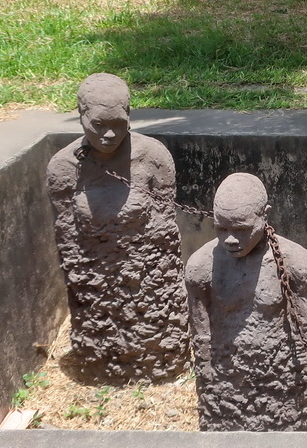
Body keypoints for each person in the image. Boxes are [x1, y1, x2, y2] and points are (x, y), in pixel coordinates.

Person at [46, 72, 189, 383]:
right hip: (97, 288)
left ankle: (159, 365)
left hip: (147, 285)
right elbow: (68, 244)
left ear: (130, 116)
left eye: (117, 124)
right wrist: (94, 292)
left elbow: (166, 232)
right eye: (98, 124)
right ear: (81, 115)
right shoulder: (64, 167)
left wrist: (147, 287)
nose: (108, 135)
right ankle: (102, 368)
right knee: (103, 347)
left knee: (154, 343)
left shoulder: (153, 157)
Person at [185, 173, 307, 432]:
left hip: (281, 382)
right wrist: (209, 382)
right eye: (221, 228)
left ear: (265, 215)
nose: (230, 239)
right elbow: (201, 339)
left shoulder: (296, 264)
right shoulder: (201, 268)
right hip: (228, 382)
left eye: (241, 229)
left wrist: (303, 384)